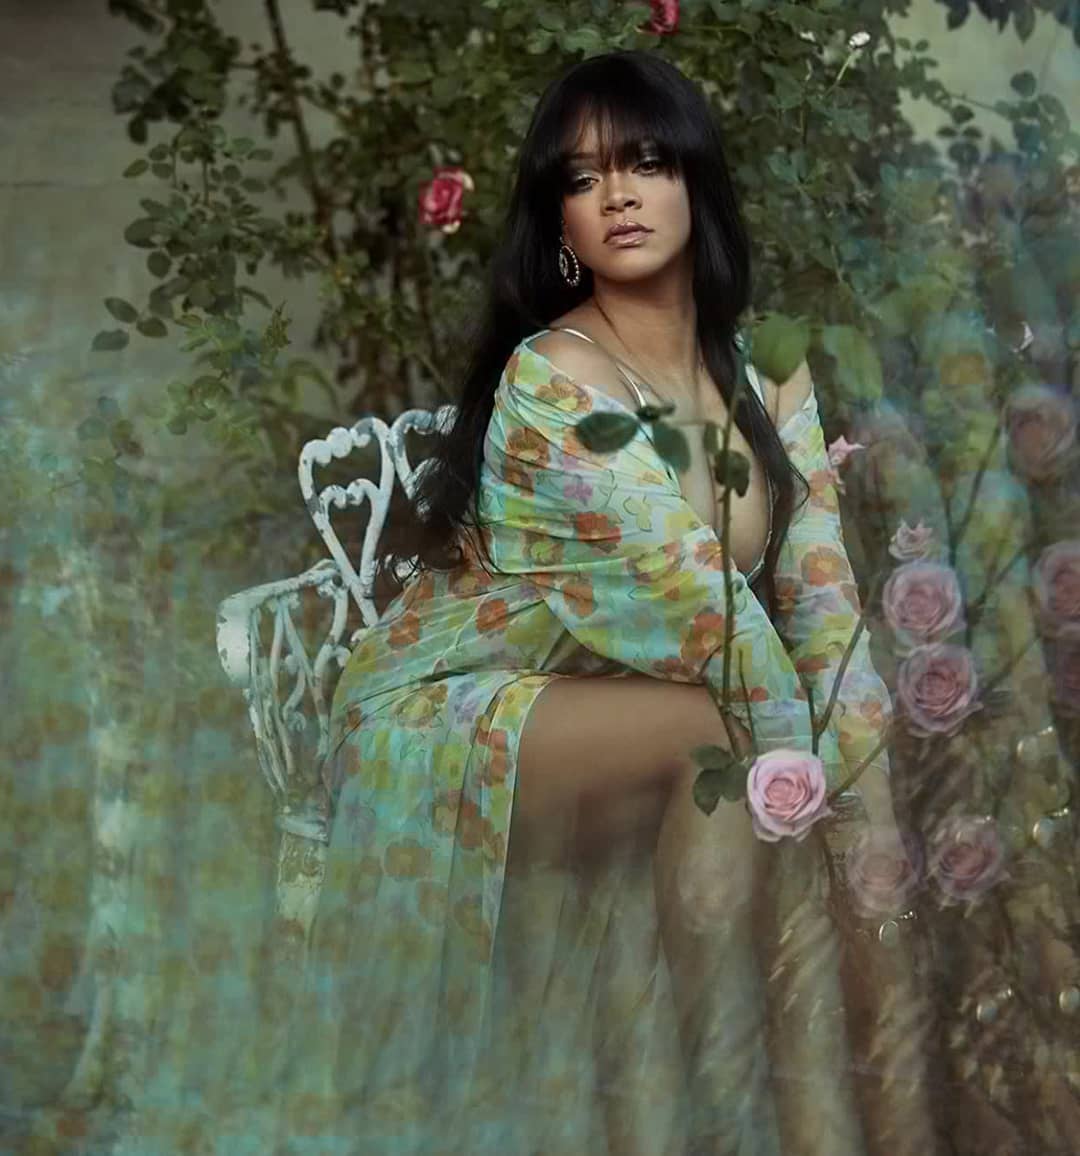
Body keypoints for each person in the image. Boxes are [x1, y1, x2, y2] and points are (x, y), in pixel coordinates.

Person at [281, 50, 917, 1156]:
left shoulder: (769, 370)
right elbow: (705, 614)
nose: (619, 194)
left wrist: (868, 792)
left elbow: (822, 597)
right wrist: (807, 782)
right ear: (562, 223)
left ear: (696, 181)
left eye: (648, 161)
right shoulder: (555, 376)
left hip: (637, 706)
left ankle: (801, 1122)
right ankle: (727, 1116)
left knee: (757, 770)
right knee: (728, 745)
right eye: (583, 178)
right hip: (448, 707)